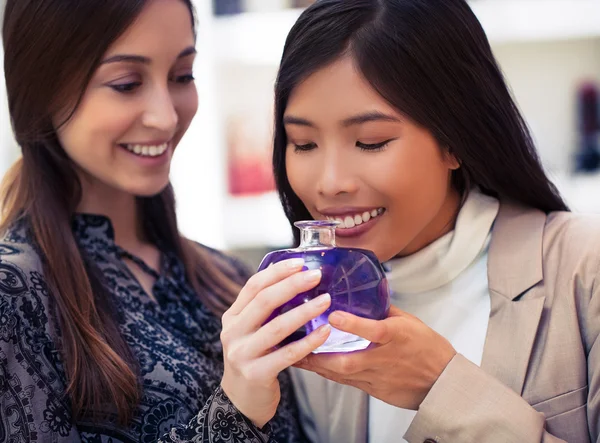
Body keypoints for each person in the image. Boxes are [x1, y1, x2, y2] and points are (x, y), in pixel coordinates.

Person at [264, 0, 600, 441]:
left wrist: (441, 388)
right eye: (304, 144)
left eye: (370, 142)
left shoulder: (583, 268)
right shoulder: (311, 308)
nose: (329, 184)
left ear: (455, 139)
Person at [0, 0, 329, 441]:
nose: (166, 116)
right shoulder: (14, 295)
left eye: (182, 76)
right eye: (126, 83)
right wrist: (235, 412)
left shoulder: (230, 277)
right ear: (41, 88)